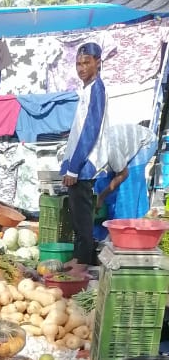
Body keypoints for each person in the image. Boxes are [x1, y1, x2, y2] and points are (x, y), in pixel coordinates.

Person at [61, 42, 109, 264]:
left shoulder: (96, 89)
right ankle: (83, 259)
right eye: (78, 64)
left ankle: (81, 264)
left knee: (82, 217)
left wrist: (74, 167)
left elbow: (90, 130)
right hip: (79, 163)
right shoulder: (87, 89)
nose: (81, 68)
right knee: (79, 215)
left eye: (86, 63)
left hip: (85, 164)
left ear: (98, 63)